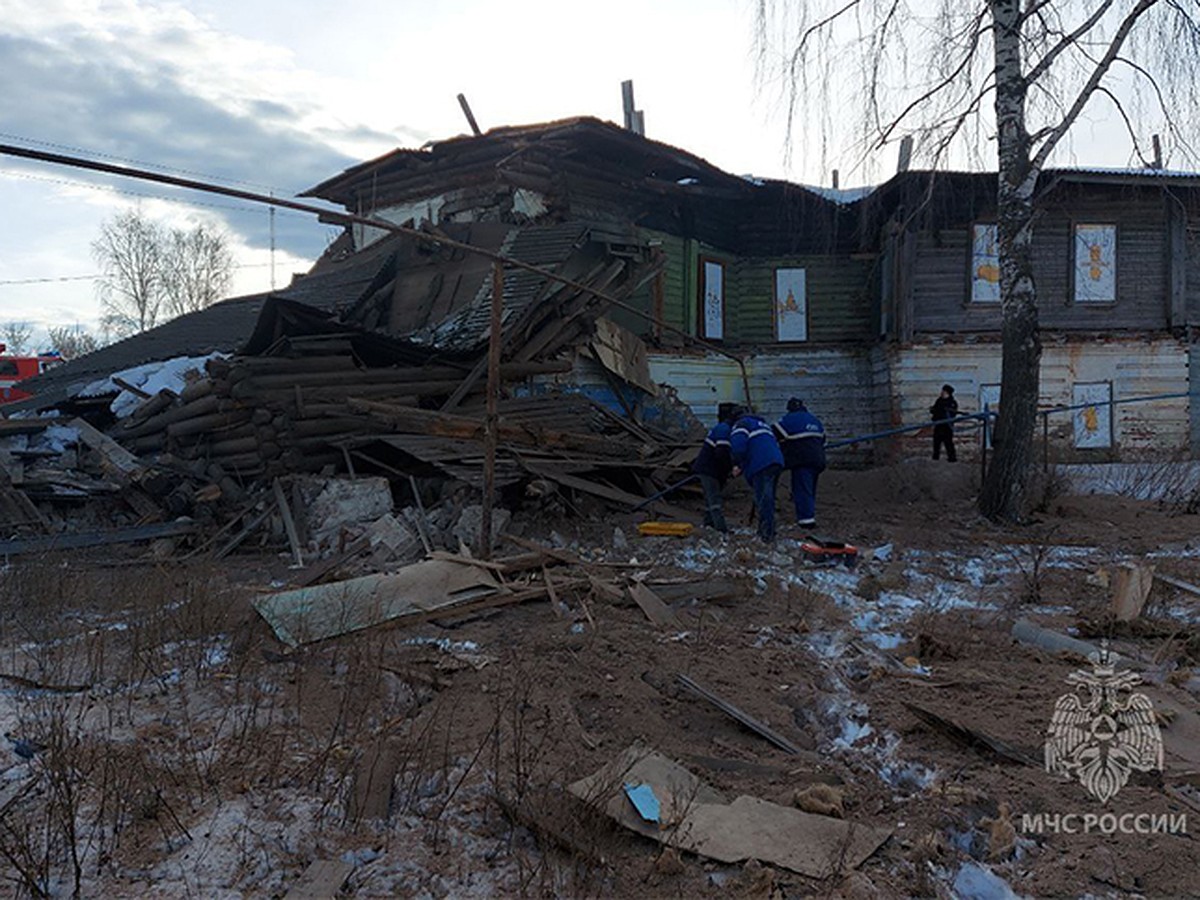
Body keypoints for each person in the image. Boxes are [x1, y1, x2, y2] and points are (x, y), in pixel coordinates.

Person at [730, 409, 785, 542]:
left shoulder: (742, 424)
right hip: (776, 461)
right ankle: (766, 530)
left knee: (763, 499)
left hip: (761, 463)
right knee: (768, 498)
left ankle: (767, 534)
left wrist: (737, 463)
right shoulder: (763, 425)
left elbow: (738, 446)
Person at [775, 397, 826, 527]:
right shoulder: (815, 420)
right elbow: (823, 439)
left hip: (802, 460)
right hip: (819, 459)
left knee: (802, 489)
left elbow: (773, 433)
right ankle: (809, 513)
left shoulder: (788, 419)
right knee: (809, 489)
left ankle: (806, 521)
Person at [691, 405, 740, 532]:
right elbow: (721, 454)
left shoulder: (722, 428)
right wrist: (729, 468)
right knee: (714, 499)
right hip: (709, 469)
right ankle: (720, 528)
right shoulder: (725, 430)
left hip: (706, 468)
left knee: (710, 498)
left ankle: (708, 523)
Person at [930, 384, 958, 462]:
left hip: (947, 426)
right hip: (938, 425)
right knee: (936, 442)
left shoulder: (952, 402)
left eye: (944, 391)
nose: (942, 392)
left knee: (948, 442)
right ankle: (935, 457)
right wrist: (933, 410)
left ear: (947, 393)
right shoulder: (939, 401)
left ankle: (952, 458)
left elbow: (952, 414)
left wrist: (945, 413)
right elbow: (935, 410)